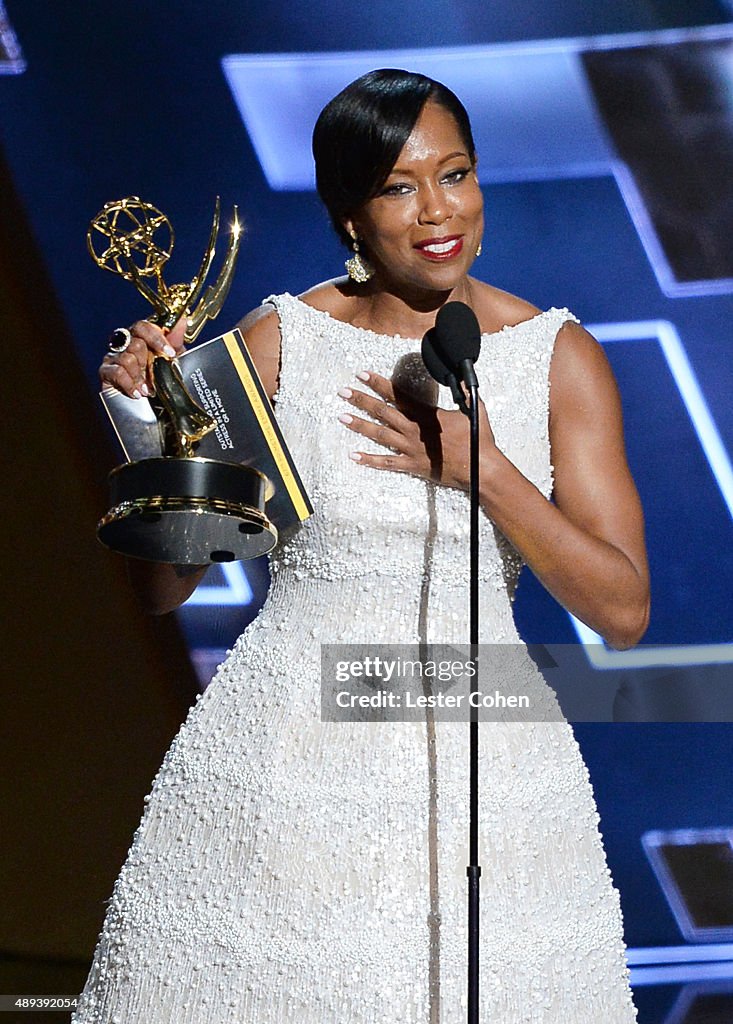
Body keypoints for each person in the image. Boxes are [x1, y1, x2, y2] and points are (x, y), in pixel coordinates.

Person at [75, 69, 649, 1023]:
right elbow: (168, 584)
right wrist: (151, 423)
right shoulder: (282, 343)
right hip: (287, 760)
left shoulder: (555, 355)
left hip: (483, 764)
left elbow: (622, 612)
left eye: (455, 174)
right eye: (397, 186)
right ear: (350, 214)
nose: (438, 210)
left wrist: (485, 471)